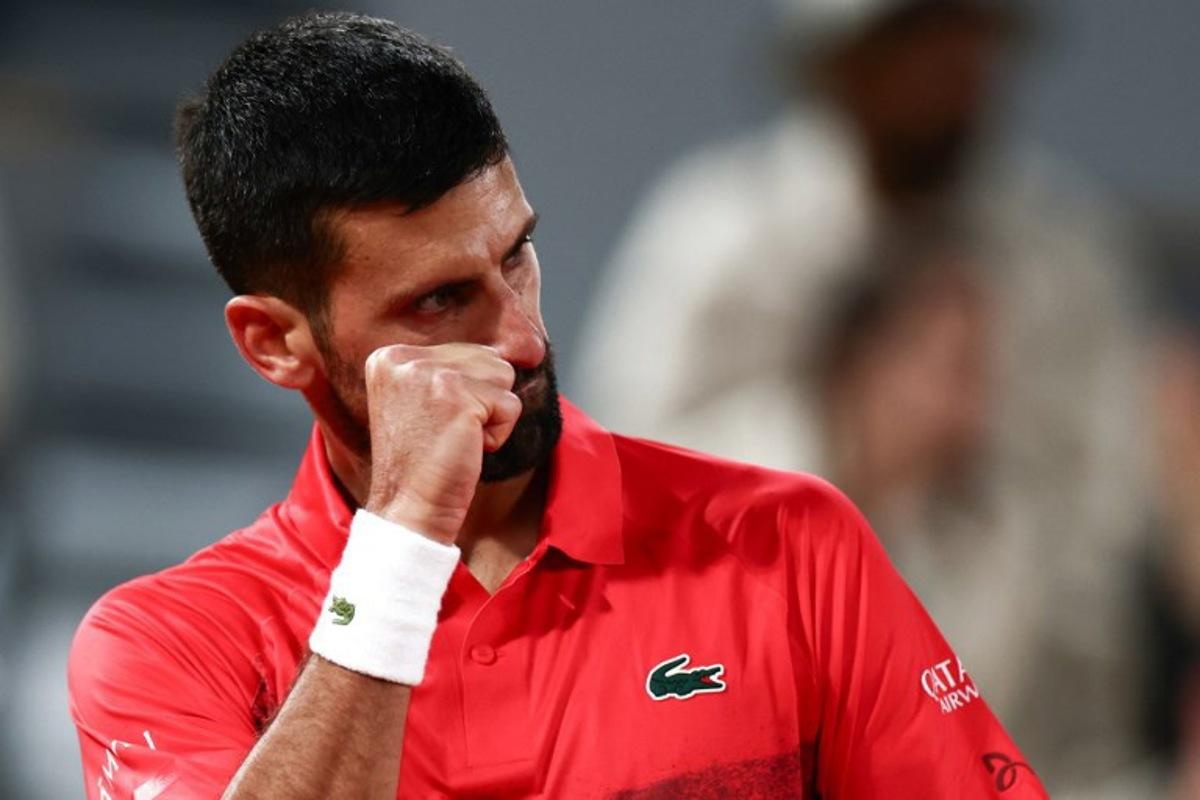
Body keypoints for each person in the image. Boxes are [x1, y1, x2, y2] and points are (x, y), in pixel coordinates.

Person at [67, 12, 1048, 798]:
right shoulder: (164, 645)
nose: (525, 337)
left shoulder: (791, 546)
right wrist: (405, 536)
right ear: (277, 341)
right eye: (441, 300)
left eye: (515, 256)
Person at [575, 0, 1147, 792]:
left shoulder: (1062, 256)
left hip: (1034, 747)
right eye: (919, 38)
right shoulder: (716, 234)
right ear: (845, 58)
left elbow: (1110, 517)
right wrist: (841, 437)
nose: (952, 74)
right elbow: (617, 481)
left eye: (971, 40)